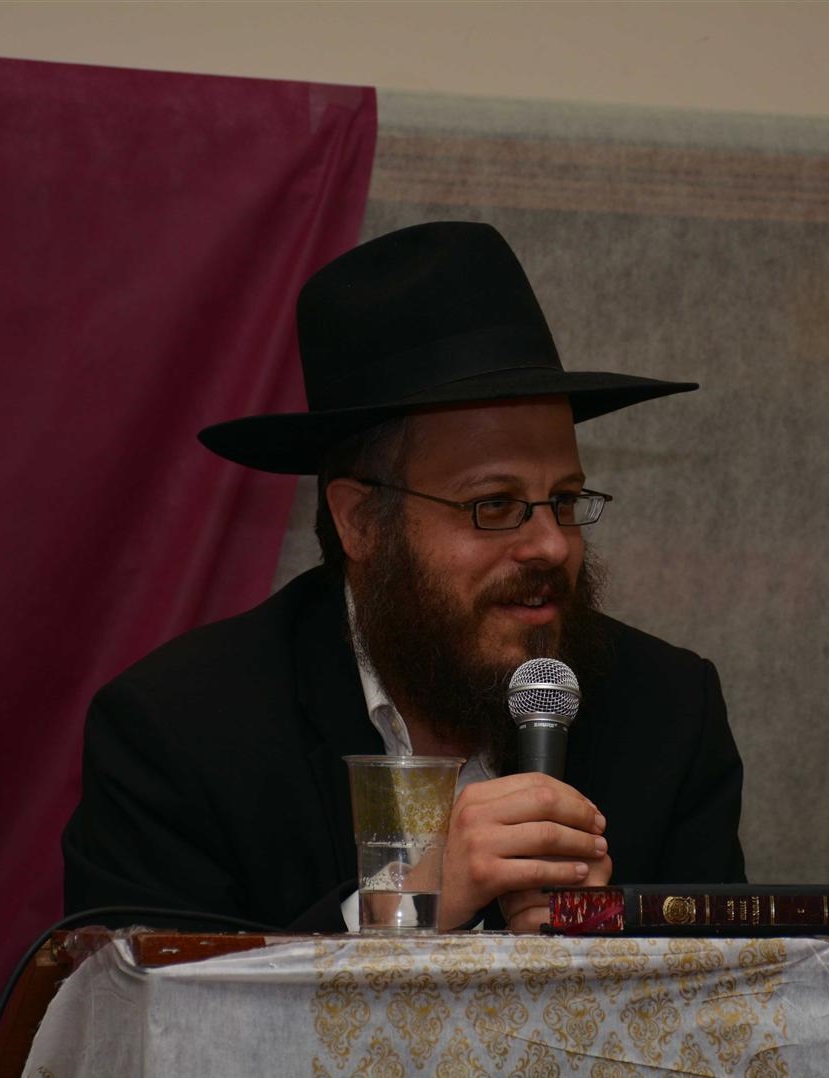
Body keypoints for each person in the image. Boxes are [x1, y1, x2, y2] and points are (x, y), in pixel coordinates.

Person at [63, 221, 745, 934]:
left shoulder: (666, 710)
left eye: (566, 500)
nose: (550, 544)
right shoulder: (182, 731)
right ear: (360, 521)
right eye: (494, 505)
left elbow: (734, 993)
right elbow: (146, 996)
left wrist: (606, 946)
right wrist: (412, 899)